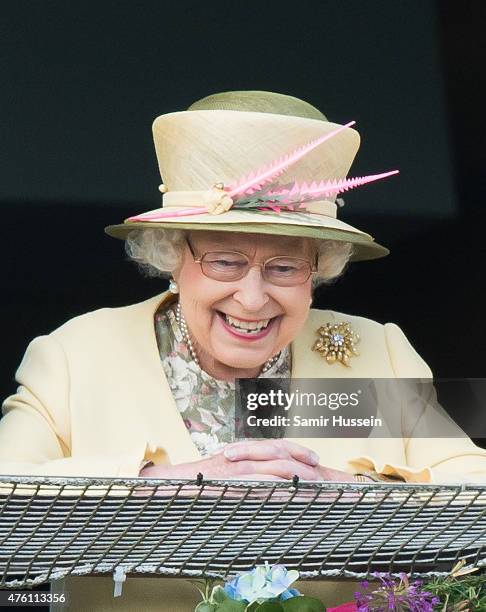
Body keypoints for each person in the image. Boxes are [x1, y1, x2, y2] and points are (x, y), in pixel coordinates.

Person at [1, 91, 486, 610]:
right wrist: (163, 486)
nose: (253, 300)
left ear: (318, 271)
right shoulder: (78, 354)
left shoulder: (373, 351)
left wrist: (345, 492)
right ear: (172, 256)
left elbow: (474, 495)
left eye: (284, 268)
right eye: (226, 262)